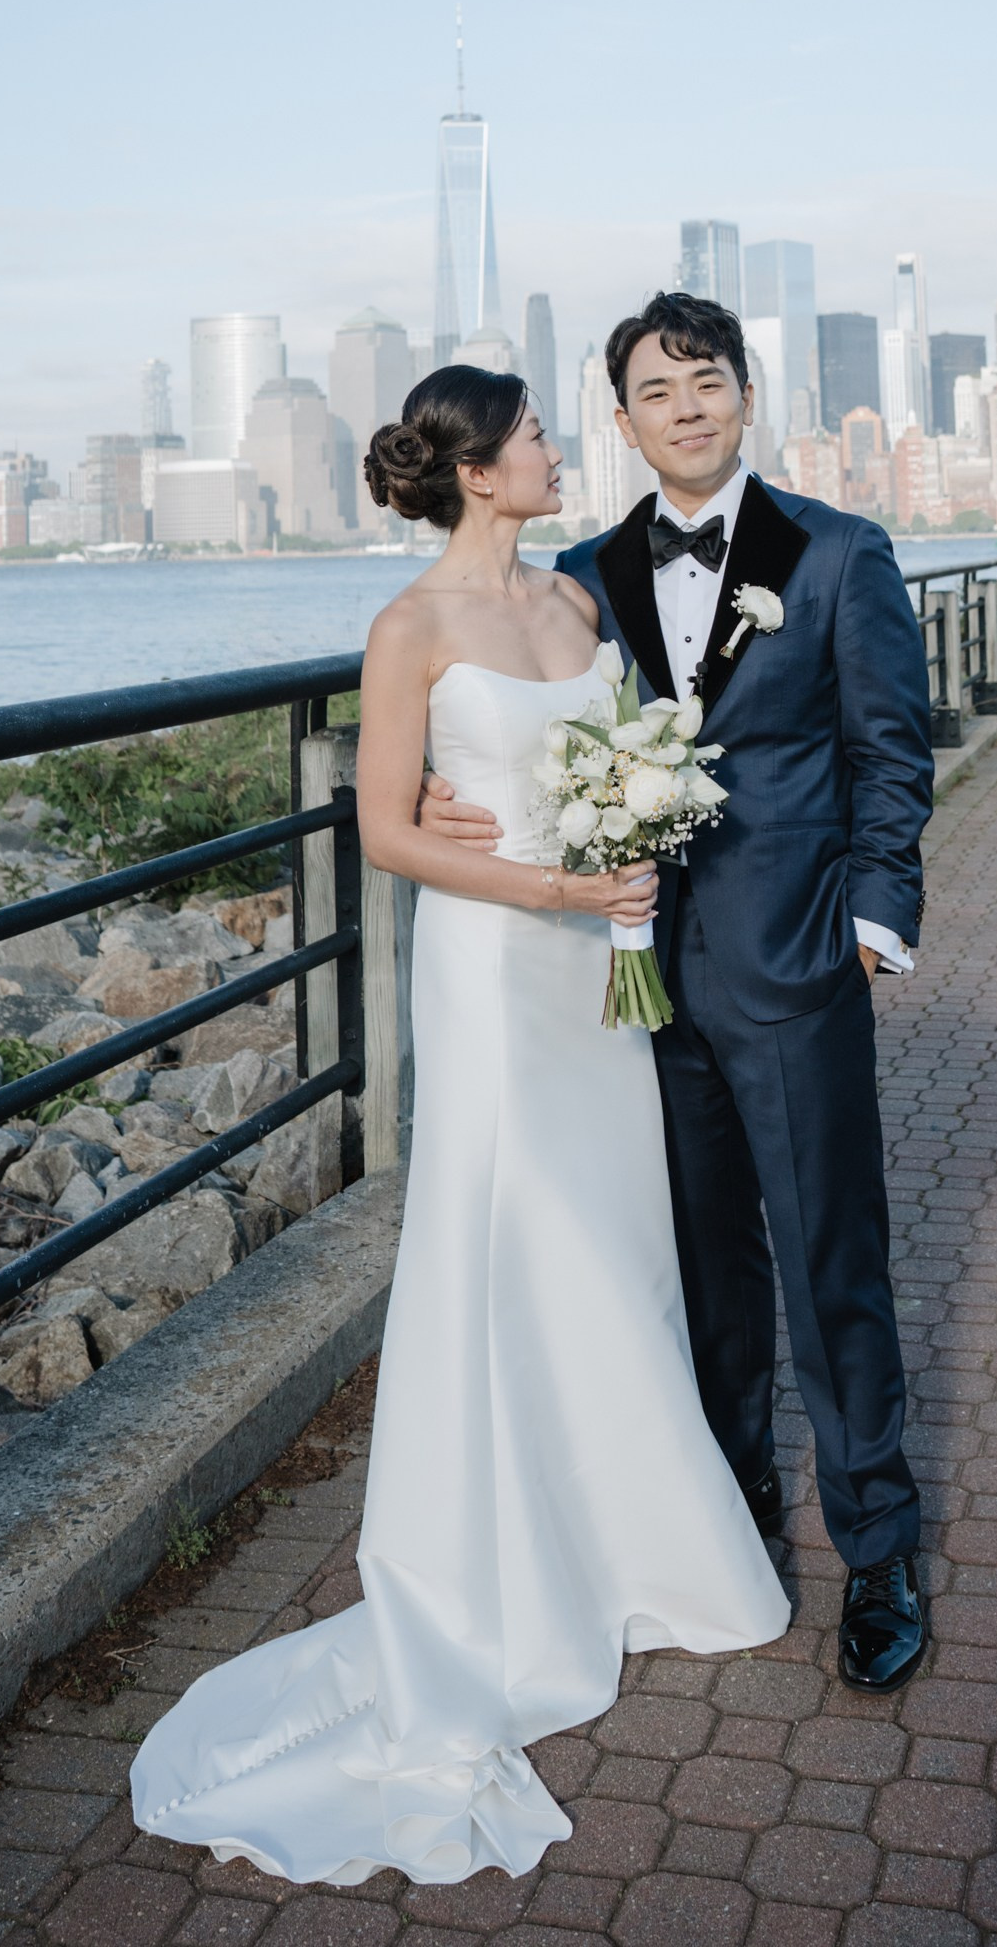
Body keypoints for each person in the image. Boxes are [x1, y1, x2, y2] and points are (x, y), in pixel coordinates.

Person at [129, 363, 787, 1890]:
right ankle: (503, 1572)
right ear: (479, 471)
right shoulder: (409, 628)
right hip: (500, 975)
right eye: (543, 436)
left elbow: (623, 761)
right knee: (512, 1238)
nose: (567, 447)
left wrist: (639, 832)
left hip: (596, 972)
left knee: (610, 1246)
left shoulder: (571, 603)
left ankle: (632, 1542)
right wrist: (562, 883)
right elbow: (382, 829)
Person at [421, 292, 936, 1691]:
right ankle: (730, 1514)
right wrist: (433, 785)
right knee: (707, 1270)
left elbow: (892, 750)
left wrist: (877, 923)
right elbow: (504, 698)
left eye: (705, 381)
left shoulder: (839, 554)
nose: (686, 408)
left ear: (744, 394)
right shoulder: (585, 571)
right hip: (637, 976)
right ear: (627, 420)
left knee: (833, 1263)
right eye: (656, 391)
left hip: (798, 960)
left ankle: (878, 1542)